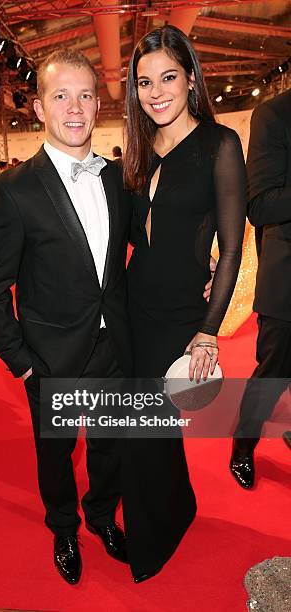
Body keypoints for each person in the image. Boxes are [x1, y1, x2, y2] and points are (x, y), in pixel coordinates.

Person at [0, 49, 133, 586]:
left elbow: (137, 245)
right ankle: (64, 527)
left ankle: (102, 514)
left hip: (115, 348)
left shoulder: (117, 179)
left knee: (112, 446)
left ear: (98, 105)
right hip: (51, 358)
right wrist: (21, 362)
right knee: (57, 455)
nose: (75, 107)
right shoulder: (12, 189)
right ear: (39, 108)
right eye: (60, 95)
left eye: (85, 95)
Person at [122, 25, 247, 582]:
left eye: (168, 77)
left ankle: (152, 540)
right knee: (149, 428)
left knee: (144, 431)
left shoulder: (220, 146)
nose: (156, 92)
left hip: (178, 318)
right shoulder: (143, 149)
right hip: (132, 307)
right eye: (145, 82)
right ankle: (178, 508)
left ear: (191, 77)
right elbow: (131, 234)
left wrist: (208, 329)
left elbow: (231, 247)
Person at [230, 88, 291, 488]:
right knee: (273, 373)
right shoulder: (273, 114)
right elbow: (261, 204)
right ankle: (242, 445)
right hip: (287, 281)